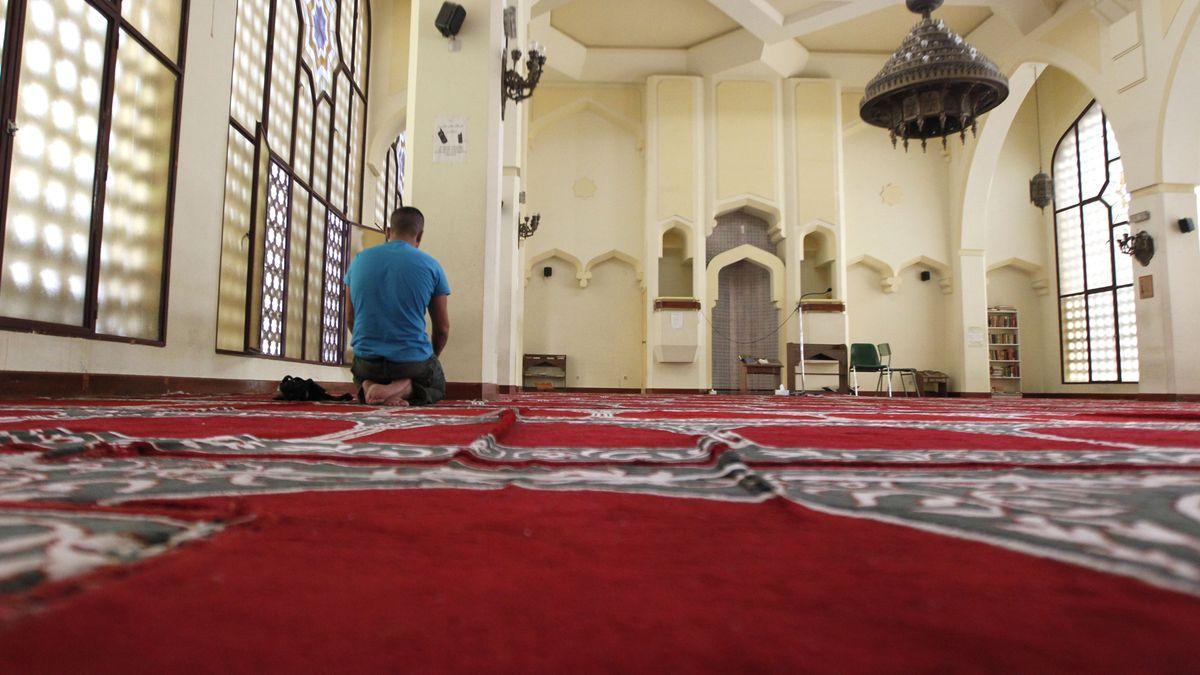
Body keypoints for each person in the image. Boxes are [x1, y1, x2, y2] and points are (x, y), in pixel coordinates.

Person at [343, 206, 450, 406]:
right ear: (420, 235)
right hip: (410, 364)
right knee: (437, 384)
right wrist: (429, 360)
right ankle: (406, 388)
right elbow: (442, 329)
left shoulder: (358, 261)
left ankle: (367, 385)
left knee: (360, 369)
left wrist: (370, 346)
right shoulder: (432, 266)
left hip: (367, 364)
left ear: (387, 230)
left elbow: (350, 317)